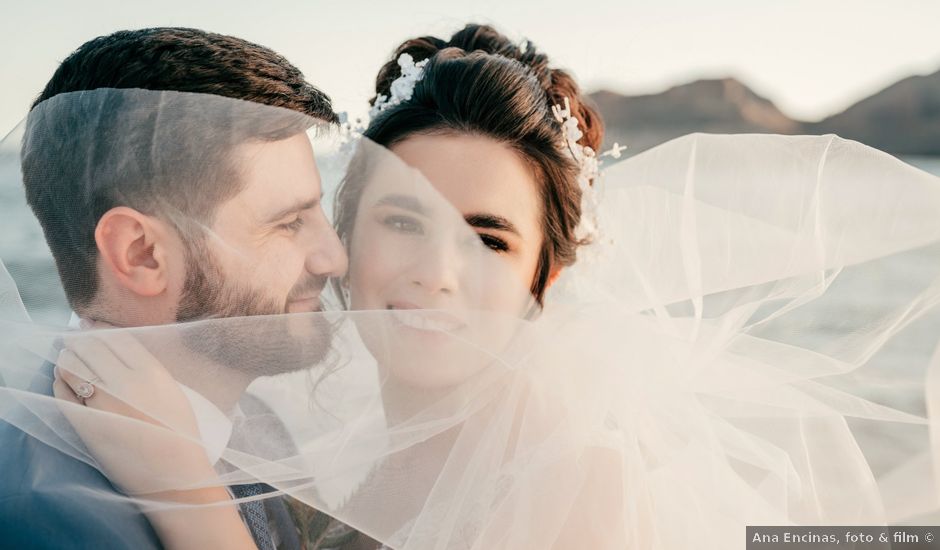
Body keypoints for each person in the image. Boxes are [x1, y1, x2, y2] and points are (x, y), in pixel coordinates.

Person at [7, 23, 940, 550]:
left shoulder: (578, 483)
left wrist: (194, 507)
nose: (433, 274)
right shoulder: (313, 455)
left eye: (489, 240)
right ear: (349, 232)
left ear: (548, 276)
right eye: (403, 221)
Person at [0, 28, 346, 550]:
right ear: (141, 253)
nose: (334, 257)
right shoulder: (43, 516)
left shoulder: (257, 425)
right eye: (289, 222)